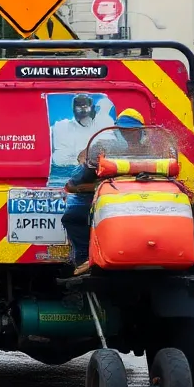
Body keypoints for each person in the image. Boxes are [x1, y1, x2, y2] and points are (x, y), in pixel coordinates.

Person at [61, 108, 147, 276]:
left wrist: (84, 185)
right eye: (124, 130)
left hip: (132, 200)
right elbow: (76, 181)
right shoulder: (108, 149)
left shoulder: (147, 150)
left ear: (140, 131)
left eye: (130, 130)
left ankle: (86, 257)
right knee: (74, 216)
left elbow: (75, 182)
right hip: (127, 198)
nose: (127, 134)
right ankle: (86, 258)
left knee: (73, 217)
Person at [51, 93, 115, 167]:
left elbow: (111, 142)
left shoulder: (104, 121)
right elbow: (60, 160)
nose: (83, 110)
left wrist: (91, 150)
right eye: (80, 108)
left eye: (85, 107)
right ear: (74, 110)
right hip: (69, 171)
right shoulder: (62, 127)